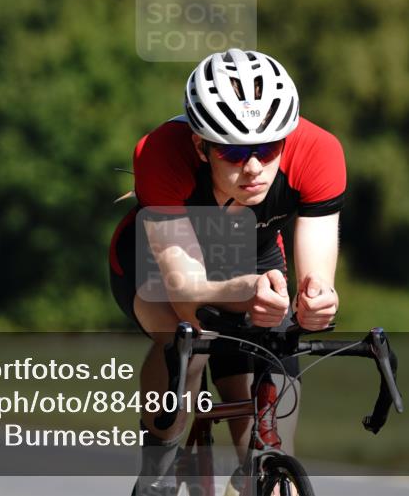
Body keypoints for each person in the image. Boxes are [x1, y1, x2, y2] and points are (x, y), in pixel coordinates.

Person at [108, 49, 345, 495]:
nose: (253, 167)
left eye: (269, 148)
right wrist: (245, 291)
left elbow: (317, 278)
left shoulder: (319, 152)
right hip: (157, 260)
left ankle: (261, 471)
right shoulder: (162, 153)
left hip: (252, 255)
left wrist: (317, 302)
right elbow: (184, 291)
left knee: (271, 355)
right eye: (233, 151)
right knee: (188, 342)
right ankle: (159, 464)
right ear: (201, 146)